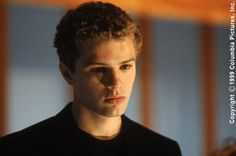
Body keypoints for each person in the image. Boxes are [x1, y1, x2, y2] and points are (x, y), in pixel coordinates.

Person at [0, 1, 182, 155]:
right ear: (67, 73)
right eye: (99, 70)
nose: (115, 82)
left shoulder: (162, 150)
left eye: (125, 66)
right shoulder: (17, 149)